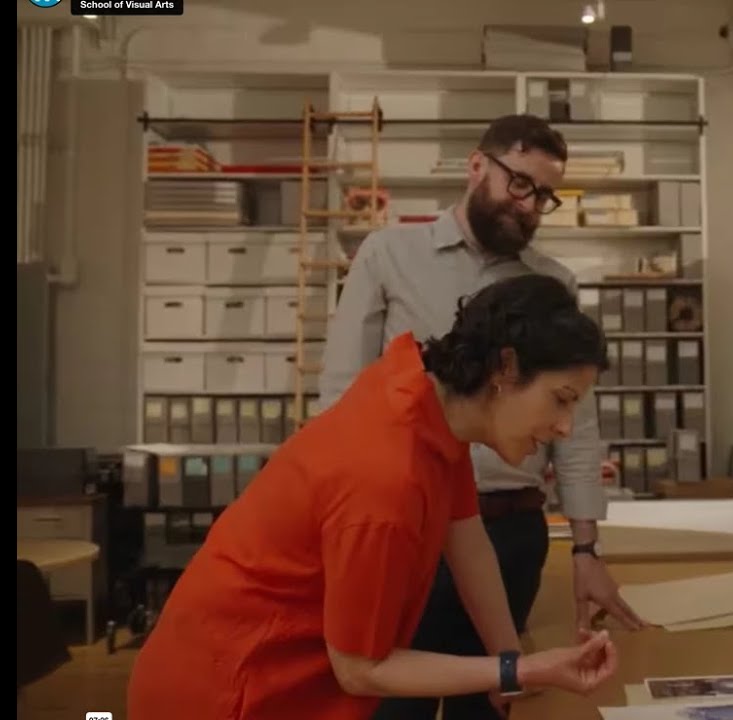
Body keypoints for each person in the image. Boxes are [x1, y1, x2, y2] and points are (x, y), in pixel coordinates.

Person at [126, 274, 620, 720]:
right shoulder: (387, 473)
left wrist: (512, 662)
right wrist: (516, 674)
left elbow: (465, 538)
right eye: (561, 399)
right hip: (225, 691)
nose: (564, 428)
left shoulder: (424, 399)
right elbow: (361, 669)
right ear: (505, 368)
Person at [317, 114, 647, 720]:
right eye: (520, 185)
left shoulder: (553, 284)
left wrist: (585, 548)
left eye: (545, 197)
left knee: (494, 698)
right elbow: (341, 395)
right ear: (477, 166)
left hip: (506, 529)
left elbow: (578, 428)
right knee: (393, 706)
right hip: (404, 526)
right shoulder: (390, 253)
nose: (530, 208)